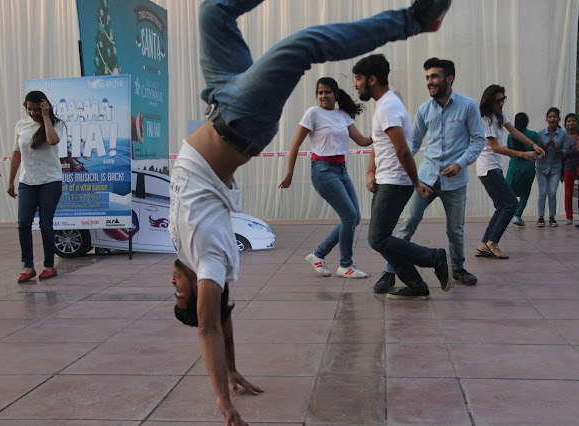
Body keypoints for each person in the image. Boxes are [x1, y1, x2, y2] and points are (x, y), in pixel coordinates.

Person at [167, 1, 452, 424]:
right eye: (179, 294)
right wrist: (222, 400)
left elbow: (221, 321)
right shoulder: (209, 262)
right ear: (199, 295)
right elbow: (211, 325)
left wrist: (230, 369)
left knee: (213, 11)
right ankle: (414, 20)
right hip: (240, 119)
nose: (172, 286)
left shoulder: (192, 258)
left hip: (218, 99)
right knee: (303, 47)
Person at [375, 57, 484, 290]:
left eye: (434, 76)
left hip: (455, 181)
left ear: (450, 78)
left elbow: (478, 141)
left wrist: (461, 163)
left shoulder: (468, 106)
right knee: (408, 223)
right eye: (427, 77)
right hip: (425, 179)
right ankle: (389, 271)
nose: (429, 82)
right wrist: (394, 167)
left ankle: (458, 268)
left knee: (455, 230)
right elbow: (412, 143)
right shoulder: (424, 110)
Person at [351, 54, 451, 298]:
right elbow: (379, 144)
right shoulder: (385, 104)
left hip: (395, 182)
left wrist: (415, 182)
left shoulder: (388, 106)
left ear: (372, 79)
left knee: (377, 238)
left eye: (358, 79)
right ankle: (416, 284)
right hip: (387, 180)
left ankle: (434, 257)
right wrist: (371, 171)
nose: (355, 84)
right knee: (381, 238)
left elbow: (403, 149)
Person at [279, 77, 371, 278]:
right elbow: (295, 144)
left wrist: (383, 133)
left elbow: (362, 140)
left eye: (327, 92)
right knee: (348, 216)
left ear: (335, 94)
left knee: (353, 218)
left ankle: (318, 255)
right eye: (320, 92)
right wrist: (289, 174)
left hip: (341, 170)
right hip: (323, 170)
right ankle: (345, 264)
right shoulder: (313, 113)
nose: (323, 96)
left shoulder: (342, 115)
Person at [474, 86, 545, 259]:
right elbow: (496, 148)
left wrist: (533, 145)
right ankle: (492, 243)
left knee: (502, 206)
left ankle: (484, 245)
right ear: (489, 101)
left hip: (494, 167)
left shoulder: (499, 115)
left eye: (503, 99)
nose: (501, 104)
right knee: (511, 204)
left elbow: (514, 132)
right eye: (497, 101)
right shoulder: (485, 119)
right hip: (488, 168)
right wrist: (523, 154)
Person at [7, 91, 64, 283]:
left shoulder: (56, 124)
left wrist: (46, 117)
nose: (32, 113)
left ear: (44, 107)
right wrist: (10, 181)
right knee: (23, 223)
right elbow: (16, 155)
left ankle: (49, 265)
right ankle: (28, 266)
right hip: (27, 182)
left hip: (50, 181)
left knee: (45, 224)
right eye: (28, 109)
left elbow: (52, 140)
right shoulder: (21, 125)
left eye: (36, 109)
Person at [536, 107, 570, 227]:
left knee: (552, 193)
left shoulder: (563, 133)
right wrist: (546, 146)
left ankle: (552, 217)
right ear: (546, 119)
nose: (552, 119)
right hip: (542, 167)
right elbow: (537, 151)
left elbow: (566, 150)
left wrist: (556, 149)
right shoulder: (540, 133)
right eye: (550, 117)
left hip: (555, 167)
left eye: (555, 117)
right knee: (542, 192)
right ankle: (540, 217)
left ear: (558, 119)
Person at [506, 113, 540, 226]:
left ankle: (505, 214)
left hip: (514, 165)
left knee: (508, 191)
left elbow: (510, 151)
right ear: (527, 122)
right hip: (528, 167)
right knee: (525, 194)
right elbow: (538, 151)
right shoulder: (533, 135)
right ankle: (517, 216)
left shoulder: (511, 136)